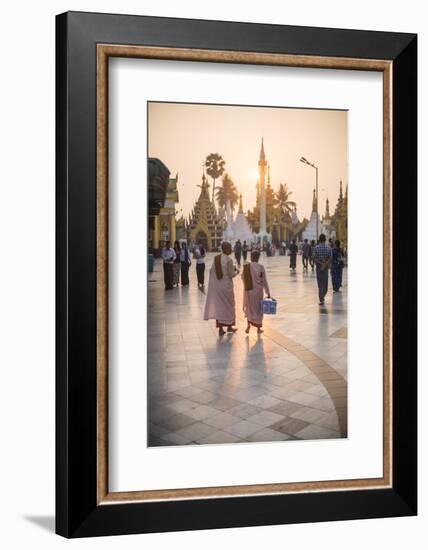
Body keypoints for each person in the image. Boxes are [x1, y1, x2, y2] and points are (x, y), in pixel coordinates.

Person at [204, 241, 239, 336]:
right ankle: (229, 327)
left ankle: (220, 329)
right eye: (230, 248)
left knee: (220, 307)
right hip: (226, 287)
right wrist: (237, 272)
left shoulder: (216, 259)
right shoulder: (229, 260)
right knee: (229, 306)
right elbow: (231, 275)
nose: (231, 250)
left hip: (218, 287)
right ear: (226, 249)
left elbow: (212, 271)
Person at [242, 250, 271, 334]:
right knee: (258, 309)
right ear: (258, 258)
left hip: (249, 290)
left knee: (249, 308)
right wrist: (268, 292)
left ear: (251, 257)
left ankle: (248, 327)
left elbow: (243, 277)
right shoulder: (261, 267)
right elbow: (264, 280)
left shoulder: (247, 267)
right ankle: (258, 329)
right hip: (258, 291)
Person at [312, 233, 332, 305]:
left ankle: (321, 298)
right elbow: (330, 258)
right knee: (325, 285)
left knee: (320, 284)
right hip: (325, 268)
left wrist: (320, 264)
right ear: (325, 239)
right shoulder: (328, 248)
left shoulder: (316, 248)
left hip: (318, 268)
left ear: (319, 240)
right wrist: (325, 264)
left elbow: (314, 257)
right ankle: (322, 297)